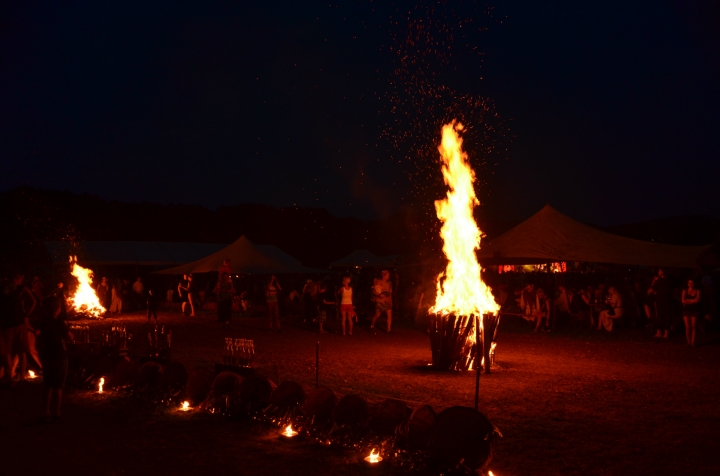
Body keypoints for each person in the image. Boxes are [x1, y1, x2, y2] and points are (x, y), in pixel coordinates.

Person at [36, 296, 73, 422]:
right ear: (57, 309)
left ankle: (46, 411)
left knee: (48, 385)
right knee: (58, 386)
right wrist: (69, 329)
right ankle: (57, 412)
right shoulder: (60, 323)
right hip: (59, 356)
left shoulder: (43, 323)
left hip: (47, 356)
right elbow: (70, 338)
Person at [650, 269, 671, 338]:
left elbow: (651, 290)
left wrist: (654, 288)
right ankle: (662, 332)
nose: (659, 272)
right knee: (662, 316)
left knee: (663, 316)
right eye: (658, 271)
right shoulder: (664, 281)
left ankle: (665, 332)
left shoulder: (662, 281)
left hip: (663, 300)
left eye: (660, 271)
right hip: (662, 300)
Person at [681, 279, 701, 347]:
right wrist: (692, 300)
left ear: (694, 283)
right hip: (686, 310)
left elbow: (697, 300)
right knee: (687, 326)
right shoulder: (685, 291)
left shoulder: (697, 290)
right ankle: (688, 342)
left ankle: (693, 342)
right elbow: (683, 300)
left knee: (694, 326)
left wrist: (688, 300)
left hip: (694, 310)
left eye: (692, 282)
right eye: (689, 282)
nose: (690, 284)